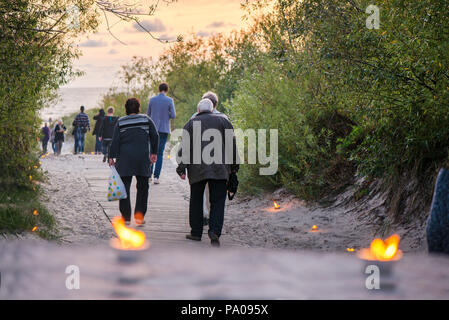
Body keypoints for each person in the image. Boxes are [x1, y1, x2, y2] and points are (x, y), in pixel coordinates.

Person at [177, 99, 239, 247]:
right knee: (218, 201)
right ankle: (215, 232)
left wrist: (181, 167)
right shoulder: (224, 122)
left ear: (198, 110)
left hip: (197, 169)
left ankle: (196, 233)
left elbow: (184, 148)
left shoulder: (191, 123)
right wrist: (234, 167)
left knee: (196, 200)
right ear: (212, 109)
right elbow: (232, 145)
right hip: (220, 169)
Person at [109, 98, 159, 226]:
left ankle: (126, 217)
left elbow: (115, 141)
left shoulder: (121, 121)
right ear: (138, 108)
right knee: (143, 187)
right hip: (142, 158)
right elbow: (155, 135)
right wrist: (154, 153)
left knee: (124, 187)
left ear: (126, 109)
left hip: (124, 158)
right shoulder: (146, 119)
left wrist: (111, 157)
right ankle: (139, 217)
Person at [190, 91, 227, 226]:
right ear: (215, 104)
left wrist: (183, 165)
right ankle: (213, 220)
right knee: (214, 194)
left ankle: (203, 216)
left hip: (198, 164)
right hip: (218, 164)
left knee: (199, 192)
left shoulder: (194, 117)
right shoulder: (224, 118)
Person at [147, 82, 176, 184]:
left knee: (151, 151)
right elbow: (173, 115)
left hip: (153, 129)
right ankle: (156, 177)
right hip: (164, 129)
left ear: (159, 89)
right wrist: (166, 113)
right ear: (166, 90)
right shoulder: (169, 100)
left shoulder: (152, 100)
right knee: (159, 153)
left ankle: (149, 175)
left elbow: (148, 114)